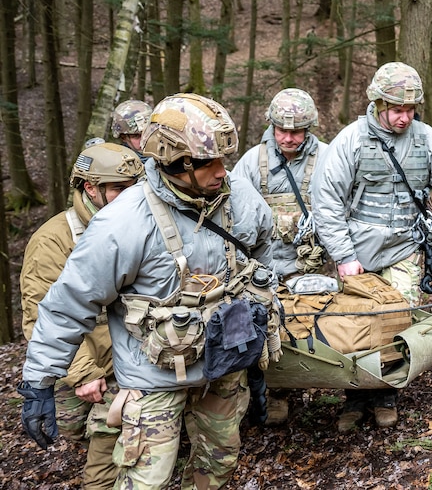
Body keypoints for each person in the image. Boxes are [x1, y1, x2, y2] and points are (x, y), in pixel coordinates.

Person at [19, 93, 276, 489]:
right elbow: (69, 305)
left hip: (225, 367)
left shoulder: (239, 197)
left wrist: (254, 348)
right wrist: (38, 381)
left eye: (226, 159)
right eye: (210, 162)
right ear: (177, 162)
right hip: (153, 378)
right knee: (145, 480)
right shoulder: (122, 223)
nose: (224, 171)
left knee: (218, 465)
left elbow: (261, 253)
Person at [310, 62, 432, 432]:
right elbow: (327, 201)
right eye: (397, 110)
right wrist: (344, 256)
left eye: (410, 110)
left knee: (398, 320)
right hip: (359, 254)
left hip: (405, 247)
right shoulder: (350, 141)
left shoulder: (427, 139)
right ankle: (355, 395)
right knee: (355, 325)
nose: (404, 117)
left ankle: (385, 392)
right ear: (378, 104)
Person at [20, 143, 144, 489]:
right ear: (90, 188)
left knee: (115, 433)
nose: (130, 196)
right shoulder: (53, 241)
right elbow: (41, 315)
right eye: (119, 188)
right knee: (103, 433)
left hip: (130, 354)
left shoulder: (139, 224)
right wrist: (84, 373)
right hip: (87, 360)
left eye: (136, 187)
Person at [233, 88, 327, 426]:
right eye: (282, 130)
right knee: (273, 328)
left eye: (297, 131)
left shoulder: (328, 159)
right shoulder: (252, 162)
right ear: (271, 126)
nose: (288, 138)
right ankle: (278, 393)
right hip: (267, 265)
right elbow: (236, 214)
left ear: (309, 129)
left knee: (330, 325)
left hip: (315, 264)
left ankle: (348, 392)